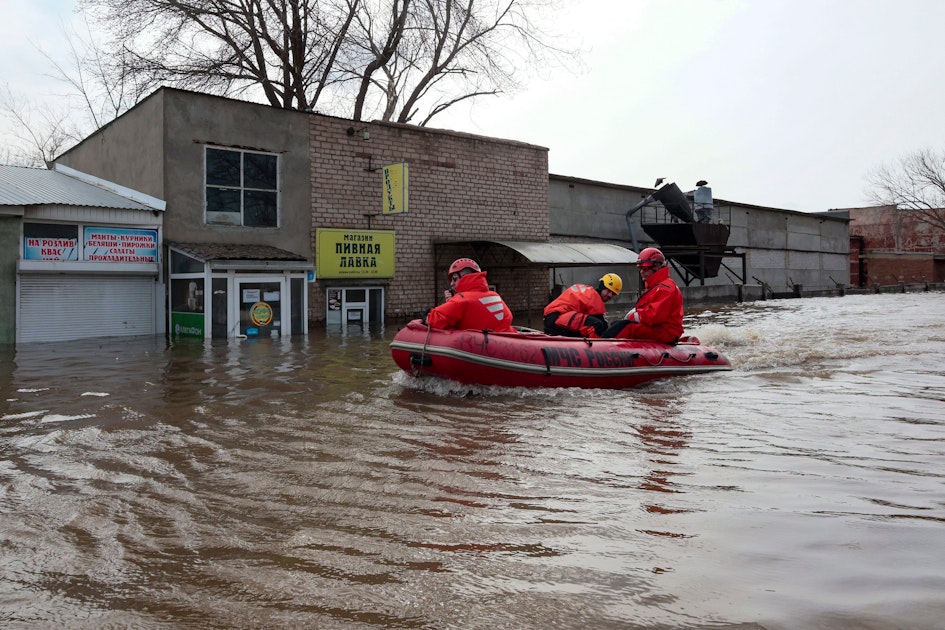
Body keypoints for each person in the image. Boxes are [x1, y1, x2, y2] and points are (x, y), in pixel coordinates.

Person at [602, 247, 684, 343]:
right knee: (618, 324)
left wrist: (633, 316)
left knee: (627, 327)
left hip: (666, 332)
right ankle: (601, 343)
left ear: (657, 267)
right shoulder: (655, 287)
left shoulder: (665, 288)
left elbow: (654, 316)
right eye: (640, 268)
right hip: (658, 329)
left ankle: (600, 347)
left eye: (645, 268)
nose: (641, 272)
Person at [423, 258, 514, 332]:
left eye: (454, 279)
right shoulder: (494, 295)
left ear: (465, 277)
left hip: (482, 349)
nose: (451, 284)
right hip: (509, 343)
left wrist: (427, 313)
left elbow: (434, 320)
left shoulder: (461, 300)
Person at [543, 273, 623, 338]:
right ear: (602, 287)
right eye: (608, 291)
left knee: (588, 324)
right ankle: (594, 351)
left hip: (551, 318)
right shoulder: (595, 299)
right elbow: (603, 325)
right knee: (597, 325)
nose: (610, 295)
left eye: (613, 294)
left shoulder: (588, 292)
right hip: (558, 318)